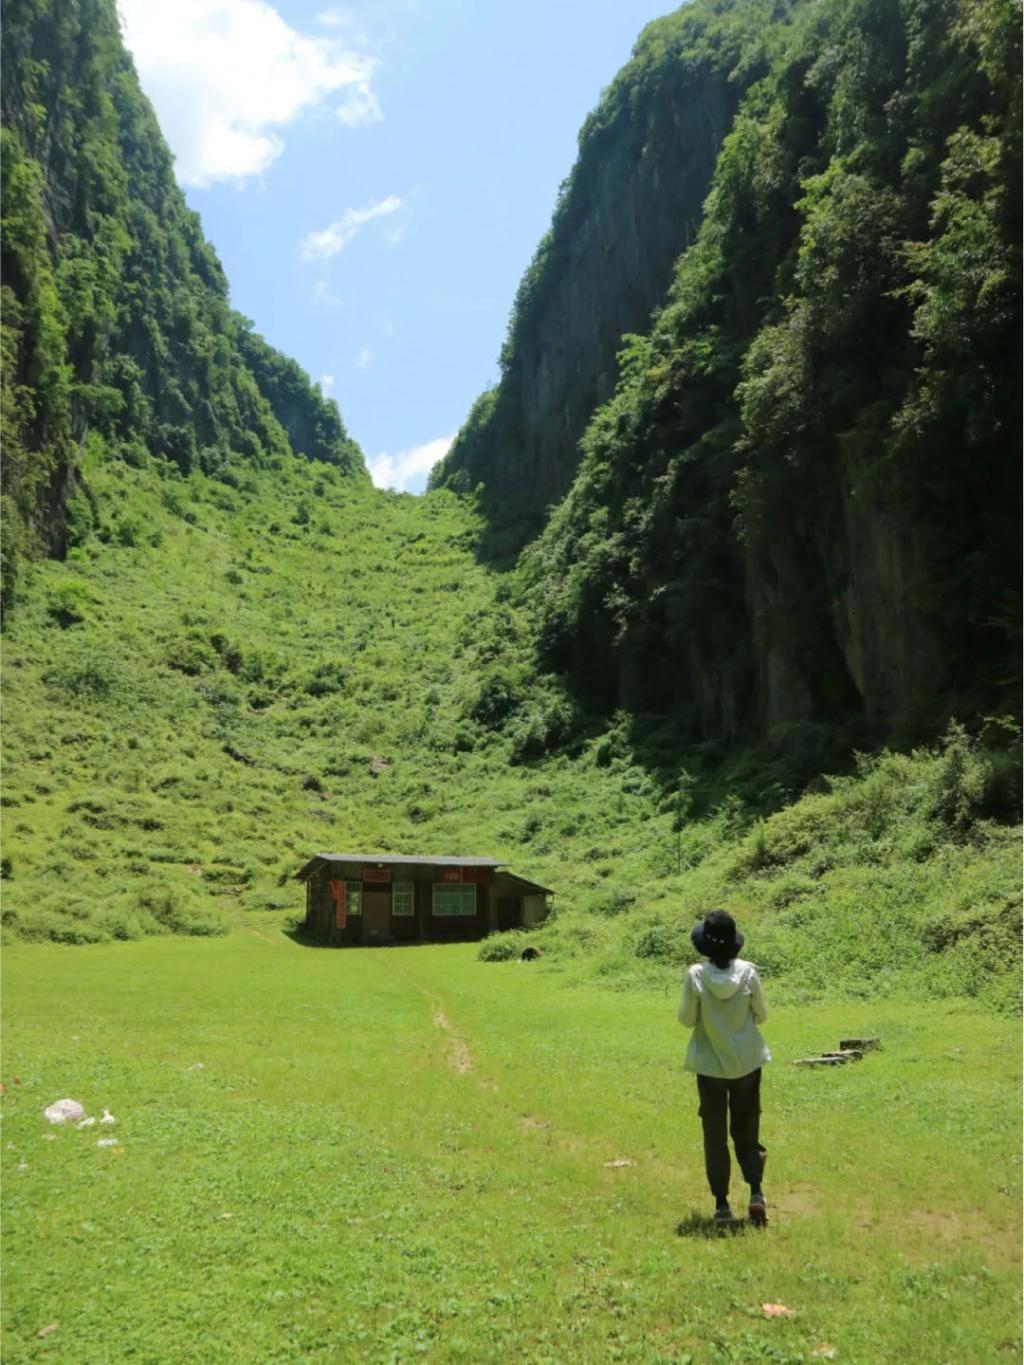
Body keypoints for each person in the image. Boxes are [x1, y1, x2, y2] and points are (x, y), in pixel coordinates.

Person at [678, 910, 770, 1225]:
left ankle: (721, 1205)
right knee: (747, 1126)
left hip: (710, 1066)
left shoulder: (695, 975)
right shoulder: (749, 972)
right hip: (747, 1062)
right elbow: (762, 1014)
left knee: (715, 1133)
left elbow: (687, 1019)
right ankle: (756, 1193)